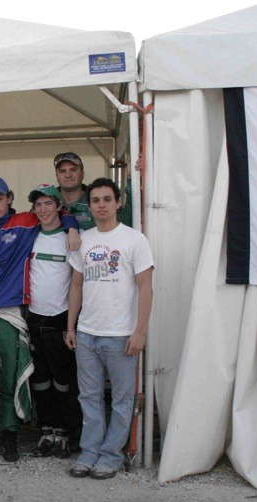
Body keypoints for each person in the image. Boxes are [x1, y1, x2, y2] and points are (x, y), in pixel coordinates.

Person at [0, 177, 79, 463]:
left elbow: (60, 215)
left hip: (12, 312)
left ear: (10, 198)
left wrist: (73, 226)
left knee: (12, 378)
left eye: (0, 199)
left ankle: (12, 436)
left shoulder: (26, 222)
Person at [65, 178, 154, 480]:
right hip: (87, 333)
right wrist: (71, 326)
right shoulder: (84, 240)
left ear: (117, 203)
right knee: (89, 397)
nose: (101, 205)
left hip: (121, 335)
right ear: (89, 206)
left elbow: (146, 288)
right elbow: (76, 286)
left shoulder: (134, 240)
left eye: (107, 199)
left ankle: (111, 455)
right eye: (95, 200)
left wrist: (140, 332)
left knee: (121, 399)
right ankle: (89, 452)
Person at [26, 184, 76, 459]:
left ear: (59, 206)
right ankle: (46, 431)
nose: (43, 209)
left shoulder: (71, 238)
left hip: (61, 320)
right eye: (38, 205)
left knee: (63, 380)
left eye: (48, 203)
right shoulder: (30, 235)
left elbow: (77, 284)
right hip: (34, 318)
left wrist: (71, 325)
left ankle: (64, 432)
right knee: (40, 380)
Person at [54, 152, 132, 230]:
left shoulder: (97, 199)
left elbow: (125, 222)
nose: (68, 175)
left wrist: (132, 178)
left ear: (82, 174)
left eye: (73, 170)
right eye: (62, 171)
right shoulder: (50, 202)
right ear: (56, 176)